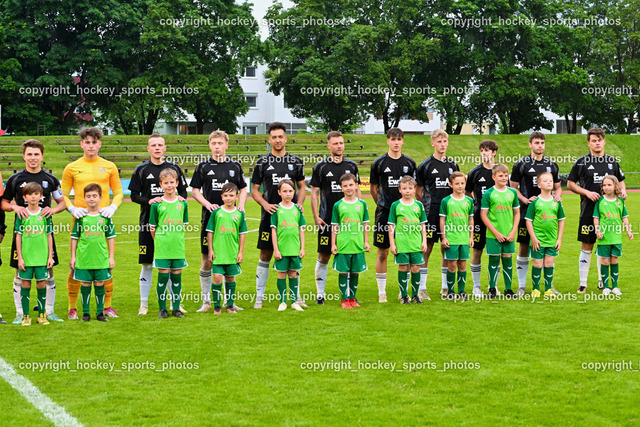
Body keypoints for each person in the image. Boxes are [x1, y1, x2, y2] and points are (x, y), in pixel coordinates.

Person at [2, 139, 66, 324]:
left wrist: (53, 210)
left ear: (42, 156)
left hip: (43, 234)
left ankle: (49, 311)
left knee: (49, 270)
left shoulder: (50, 179)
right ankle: (20, 313)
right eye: (29, 154)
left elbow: (62, 203)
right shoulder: (15, 179)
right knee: (19, 271)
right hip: (23, 234)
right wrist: (14, 207)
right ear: (24, 156)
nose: (33, 158)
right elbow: (3, 203)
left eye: (36, 154)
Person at [62, 127, 123, 319]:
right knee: (75, 265)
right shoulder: (71, 167)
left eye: (94, 142)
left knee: (106, 265)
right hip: (80, 221)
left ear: (99, 144)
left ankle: (107, 306)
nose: (91, 146)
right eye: (87, 142)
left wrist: (113, 207)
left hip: (102, 221)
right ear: (81, 144)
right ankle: (72, 307)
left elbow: (119, 192)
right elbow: (63, 194)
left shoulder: (109, 166)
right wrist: (72, 208)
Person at [129, 134, 188, 315]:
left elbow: (183, 193)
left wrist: (180, 198)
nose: (157, 148)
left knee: (170, 265)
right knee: (147, 264)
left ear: (165, 148)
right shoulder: (141, 169)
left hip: (170, 228)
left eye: (160, 145)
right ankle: (144, 304)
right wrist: (150, 201)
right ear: (148, 148)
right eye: (153, 145)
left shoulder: (174, 168)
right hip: (147, 224)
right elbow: (134, 195)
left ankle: (174, 303)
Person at [191, 130, 247, 312]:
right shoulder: (202, 166)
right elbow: (195, 191)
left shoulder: (235, 166)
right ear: (209, 145)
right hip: (210, 221)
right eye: (214, 143)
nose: (217, 146)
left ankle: (229, 302)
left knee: (231, 259)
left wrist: (241, 205)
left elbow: (243, 189)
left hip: (230, 222)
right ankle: (207, 301)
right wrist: (208, 205)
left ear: (226, 145)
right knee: (207, 260)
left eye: (220, 143)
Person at [251, 122, 306, 309]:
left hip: (290, 218)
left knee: (293, 255)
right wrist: (265, 204)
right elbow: (254, 190)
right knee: (265, 254)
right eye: (274, 137)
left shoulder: (296, 161)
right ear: (269, 140)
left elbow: (302, 187)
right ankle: (259, 297)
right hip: (270, 217)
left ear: (286, 138)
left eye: (280, 136)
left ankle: (296, 297)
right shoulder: (262, 163)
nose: (277, 140)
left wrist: (299, 204)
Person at [567, 127, 626, 293]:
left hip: (608, 215)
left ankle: (602, 281)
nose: (597, 143)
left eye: (599, 140)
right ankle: (583, 283)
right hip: (588, 211)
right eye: (594, 140)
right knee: (587, 245)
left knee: (604, 246)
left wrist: (623, 192)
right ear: (588, 143)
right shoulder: (581, 162)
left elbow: (621, 181)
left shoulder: (612, 161)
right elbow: (570, 184)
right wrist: (586, 192)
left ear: (604, 141)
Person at [310, 131, 361, 305]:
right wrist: (316, 216)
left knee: (350, 258)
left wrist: (359, 212)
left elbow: (357, 191)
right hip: (327, 220)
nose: (339, 146)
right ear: (328, 146)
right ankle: (320, 294)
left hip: (349, 222)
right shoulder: (321, 167)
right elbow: (314, 193)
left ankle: (349, 295)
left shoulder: (351, 166)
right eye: (335, 143)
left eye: (341, 143)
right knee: (324, 256)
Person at [510, 131, 561, 295]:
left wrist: (557, 197)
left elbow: (558, 187)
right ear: (530, 144)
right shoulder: (521, 164)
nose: (540, 146)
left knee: (549, 247)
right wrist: (525, 200)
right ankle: (522, 286)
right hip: (527, 212)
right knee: (524, 246)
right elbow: (513, 188)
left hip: (547, 214)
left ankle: (548, 286)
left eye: (542, 143)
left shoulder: (552, 165)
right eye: (537, 143)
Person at [370, 128, 417, 303]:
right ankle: (381, 291)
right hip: (384, 213)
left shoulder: (410, 163)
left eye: (399, 139)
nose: (396, 142)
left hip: (406, 215)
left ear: (402, 140)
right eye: (393, 139)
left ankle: (403, 291)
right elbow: (374, 188)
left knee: (406, 252)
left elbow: (415, 187)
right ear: (387, 141)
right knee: (383, 252)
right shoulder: (379, 163)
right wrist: (382, 205)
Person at [416, 129, 460, 299]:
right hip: (431, 212)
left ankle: (445, 287)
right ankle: (421, 288)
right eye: (439, 141)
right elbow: (418, 192)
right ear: (432, 143)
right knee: (426, 248)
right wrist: (428, 206)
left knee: (446, 248)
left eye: (445, 141)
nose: (442, 145)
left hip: (450, 213)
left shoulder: (453, 165)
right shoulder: (425, 166)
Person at [69, 184, 116, 322]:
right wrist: (73, 257)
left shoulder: (105, 216)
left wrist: (111, 257)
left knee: (100, 283)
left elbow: (111, 237)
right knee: (85, 284)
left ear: (100, 198)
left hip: (101, 258)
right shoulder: (80, 217)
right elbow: (74, 237)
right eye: (88, 196)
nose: (91, 199)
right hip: (84, 258)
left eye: (94, 196)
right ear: (84, 198)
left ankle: (100, 313)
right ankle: (86, 313)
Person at [149, 169, 189, 319]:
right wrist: (160, 240)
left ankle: (176, 308)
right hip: (162, 248)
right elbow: (152, 227)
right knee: (163, 278)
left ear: (177, 183)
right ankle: (162, 309)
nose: (169, 185)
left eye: (172, 182)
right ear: (161, 184)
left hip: (177, 247)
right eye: (166, 183)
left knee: (177, 279)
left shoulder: (183, 203)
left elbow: (183, 225)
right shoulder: (156, 205)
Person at [15, 183, 54, 326]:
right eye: (30, 194)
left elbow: (49, 235)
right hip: (26, 257)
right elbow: (18, 237)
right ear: (24, 197)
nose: (33, 197)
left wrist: (50, 257)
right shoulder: (21, 214)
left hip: (41, 257)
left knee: (41, 283)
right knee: (25, 283)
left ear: (41, 196)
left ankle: (41, 315)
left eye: (36, 194)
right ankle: (26, 316)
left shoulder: (45, 214)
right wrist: (20, 258)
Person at [206, 183, 248, 315]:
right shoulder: (216, 213)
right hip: (218, 253)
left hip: (232, 253)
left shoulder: (239, 214)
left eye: (231, 195)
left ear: (237, 196)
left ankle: (230, 306)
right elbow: (210, 232)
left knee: (230, 278)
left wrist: (240, 252)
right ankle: (217, 307)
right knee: (217, 277)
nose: (228, 198)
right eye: (225, 195)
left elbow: (242, 234)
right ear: (221, 197)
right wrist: (210, 250)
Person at [480, 164, 520, 299]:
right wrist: (496, 233)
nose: (504, 178)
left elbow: (517, 213)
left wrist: (513, 231)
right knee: (494, 260)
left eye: (506, 175)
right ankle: (492, 288)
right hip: (493, 235)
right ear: (493, 177)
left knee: (508, 260)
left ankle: (508, 289)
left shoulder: (512, 192)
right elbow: (484, 215)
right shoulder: (488, 193)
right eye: (500, 175)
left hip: (509, 234)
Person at [465, 140, 498, 297]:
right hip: (479, 218)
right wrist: (475, 206)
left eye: (487, 150)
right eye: (482, 151)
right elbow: (467, 193)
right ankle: (476, 286)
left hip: (497, 218)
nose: (484, 153)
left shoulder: (500, 171)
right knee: (477, 250)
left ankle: (494, 286)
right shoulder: (475, 172)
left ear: (494, 153)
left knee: (495, 252)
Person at [332, 173, 370, 309]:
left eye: (351, 185)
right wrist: (333, 244)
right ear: (341, 188)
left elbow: (365, 224)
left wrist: (366, 242)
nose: (348, 188)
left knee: (355, 272)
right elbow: (335, 226)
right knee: (343, 272)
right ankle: (344, 300)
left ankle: (353, 299)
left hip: (358, 244)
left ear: (356, 186)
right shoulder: (338, 205)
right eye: (345, 186)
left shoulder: (362, 204)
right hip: (343, 244)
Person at [525, 172, 565, 298]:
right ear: (539, 185)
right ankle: (535, 289)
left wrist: (559, 239)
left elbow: (561, 220)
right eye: (545, 181)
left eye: (551, 181)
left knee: (549, 264)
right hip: (538, 240)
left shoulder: (557, 202)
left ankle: (548, 289)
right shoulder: (535, 202)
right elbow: (528, 221)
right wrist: (533, 238)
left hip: (552, 240)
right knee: (537, 263)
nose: (549, 182)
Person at [388, 176, 427, 304]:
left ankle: (415, 296)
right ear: (400, 190)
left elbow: (422, 225)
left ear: (415, 189)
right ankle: (404, 296)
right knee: (403, 267)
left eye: (410, 188)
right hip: (402, 243)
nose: (407, 191)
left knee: (416, 268)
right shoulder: (395, 205)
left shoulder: (419, 205)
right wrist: (392, 243)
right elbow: (391, 226)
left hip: (416, 243)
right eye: (404, 188)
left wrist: (424, 241)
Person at [593, 176, 632, 296]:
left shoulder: (620, 201)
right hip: (604, 238)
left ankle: (615, 287)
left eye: (609, 185)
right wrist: (597, 231)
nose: (606, 187)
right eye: (604, 185)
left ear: (616, 186)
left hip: (616, 237)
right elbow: (596, 218)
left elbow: (624, 217)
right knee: (605, 261)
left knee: (614, 260)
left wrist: (628, 230)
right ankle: (605, 287)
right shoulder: (600, 201)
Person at [271, 180, 306, 311]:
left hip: (294, 249)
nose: (288, 194)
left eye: (290, 191)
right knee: (281, 274)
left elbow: (301, 229)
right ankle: (282, 302)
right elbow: (273, 231)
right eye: (284, 191)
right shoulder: (276, 209)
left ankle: (294, 301)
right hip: (282, 250)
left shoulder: (297, 209)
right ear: (279, 192)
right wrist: (276, 249)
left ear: (294, 192)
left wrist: (302, 248)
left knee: (293, 274)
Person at [440, 172, 474, 301]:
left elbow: (470, 220)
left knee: (463, 265)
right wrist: (444, 237)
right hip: (452, 238)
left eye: (462, 183)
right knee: (452, 265)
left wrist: (471, 237)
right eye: (457, 183)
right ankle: (450, 291)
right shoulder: (446, 201)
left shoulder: (469, 201)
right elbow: (442, 220)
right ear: (451, 185)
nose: (460, 186)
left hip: (464, 239)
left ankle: (461, 291)